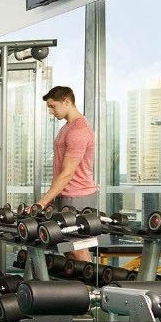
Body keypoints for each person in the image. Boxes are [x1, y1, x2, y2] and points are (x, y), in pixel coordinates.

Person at [34, 86, 98, 262]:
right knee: (66, 248)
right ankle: (77, 281)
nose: (50, 111)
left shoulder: (79, 130)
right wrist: (51, 199)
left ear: (66, 101)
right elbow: (61, 171)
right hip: (65, 194)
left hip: (78, 196)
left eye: (53, 106)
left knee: (78, 248)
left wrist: (42, 202)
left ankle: (87, 281)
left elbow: (68, 173)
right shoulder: (67, 128)